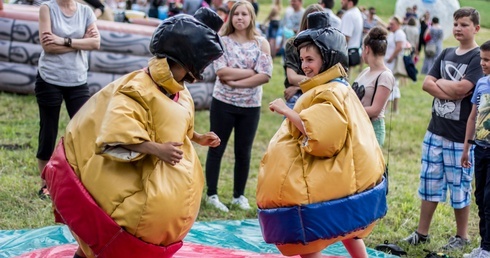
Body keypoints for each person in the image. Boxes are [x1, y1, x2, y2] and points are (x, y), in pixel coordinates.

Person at [41, 8, 224, 258]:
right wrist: (157, 149)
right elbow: (115, 135)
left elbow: (179, 124)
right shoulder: (136, 89)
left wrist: (199, 137)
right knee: (99, 245)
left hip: (157, 199)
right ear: (179, 60)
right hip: (120, 188)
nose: (195, 77)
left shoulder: (179, 92)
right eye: (194, 68)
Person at [257, 14, 387, 258]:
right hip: (345, 180)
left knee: (310, 240)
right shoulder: (336, 86)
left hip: (326, 186)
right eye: (302, 59)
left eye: (310, 59)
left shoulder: (329, 92)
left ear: (327, 58)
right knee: (350, 231)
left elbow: (323, 137)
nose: (305, 65)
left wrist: (287, 111)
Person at [402, 7, 483, 251]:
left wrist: (444, 84)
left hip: (459, 136)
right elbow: (427, 83)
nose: (458, 28)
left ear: (476, 28)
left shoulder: (477, 58)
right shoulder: (447, 52)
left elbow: (463, 90)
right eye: (456, 23)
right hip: (435, 130)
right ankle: (422, 232)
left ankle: (462, 236)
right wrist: (451, 86)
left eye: (465, 24)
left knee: (459, 186)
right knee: (429, 182)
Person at [204, 0, 272, 213]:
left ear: (251, 17)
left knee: (244, 151)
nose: (240, 18)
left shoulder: (261, 43)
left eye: (244, 14)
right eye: (236, 14)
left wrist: (236, 81)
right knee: (217, 147)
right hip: (223, 102)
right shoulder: (222, 41)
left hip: (250, 106)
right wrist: (251, 72)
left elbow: (265, 75)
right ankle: (212, 194)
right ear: (231, 17)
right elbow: (221, 72)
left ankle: (238, 196)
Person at [36, 0, 100, 199]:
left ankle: (82, 181)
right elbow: (48, 47)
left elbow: (96, 43)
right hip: (50, 79)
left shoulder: (86, 11)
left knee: (85, 131)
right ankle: (46, 184)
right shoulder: (47, 9)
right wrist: (81, 41)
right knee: (49, 130)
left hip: (78, 80)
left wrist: (64, 40)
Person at [461, 40, 490, 258]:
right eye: (482, 58)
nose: (483, 63)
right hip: (479, 149)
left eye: (488, 60)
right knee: (480, 197)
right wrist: (466, 148)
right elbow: (473, 117)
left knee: (489, 199)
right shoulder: (481, 84)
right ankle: (483, 246)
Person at [354, 26, 395, 147]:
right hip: (358, 125)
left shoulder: (385, 76)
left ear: (366, 49)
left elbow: (375, 110)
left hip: (371, 131)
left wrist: (348, 110)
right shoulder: (366, 71)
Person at [283, 4, 324, 109]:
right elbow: (292, 77)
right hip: (299, 97)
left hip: (320, 94)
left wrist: (297, 86)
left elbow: (330, 79)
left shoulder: (326, 46)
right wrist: (318, 81)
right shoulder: (293, 44)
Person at [384, 15, 406, 113]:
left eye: (392, 24)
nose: (390, 26)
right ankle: (394, 109)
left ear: (398, 24)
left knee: (391, 85)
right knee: (394, 85)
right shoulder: (393, 33)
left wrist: (391, 58)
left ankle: (388, 107)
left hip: (393, 63)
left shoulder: (399, 33)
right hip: (389, 62)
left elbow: (399, 47)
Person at [339, 0, 363, 73]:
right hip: (353, 52)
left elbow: (346, 37)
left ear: (350, 3)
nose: (341, 1)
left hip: (346, 53)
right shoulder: (357, 12)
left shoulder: (349, 15)